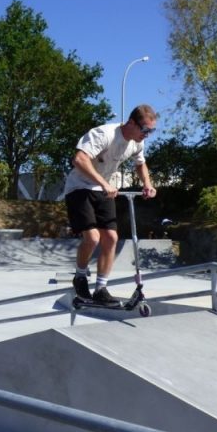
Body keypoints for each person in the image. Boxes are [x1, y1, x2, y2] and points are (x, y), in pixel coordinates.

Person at [64, 104, 158, 304]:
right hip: (79, 188)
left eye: (152, 131)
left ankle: (101, 289)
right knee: (92, 237)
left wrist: (147, 184)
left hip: (104, 189)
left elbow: (140, 164)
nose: (147, 135)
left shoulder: (136, 143)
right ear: (131, 122)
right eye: (145, 130)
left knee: (111, 238)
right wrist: (104, 183)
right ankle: (80, 276)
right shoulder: (104, 134)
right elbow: (79, 159)